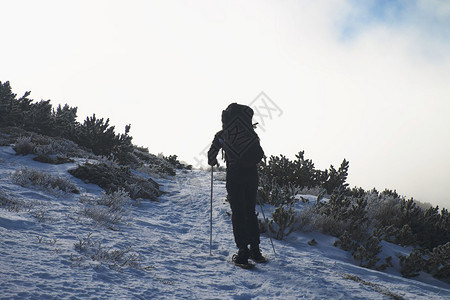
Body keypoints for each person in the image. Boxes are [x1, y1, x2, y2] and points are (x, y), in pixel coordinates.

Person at [207, 103, 267, 266]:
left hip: (235, 173)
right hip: (251, 174)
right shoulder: (250, 133)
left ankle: (243, 252)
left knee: (238, 213)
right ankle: (255, 250)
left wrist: (214, 160)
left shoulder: (223, 134)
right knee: (250, 211)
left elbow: (211, 155)